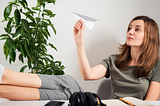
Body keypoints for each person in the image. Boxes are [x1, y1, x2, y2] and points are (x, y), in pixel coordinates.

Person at [0, 15, 160, 101]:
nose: (130, 32)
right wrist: (79, 41)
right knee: (69, 91)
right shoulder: (115, 60)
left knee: (70, 87)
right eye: (130, 28)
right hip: (103, 105)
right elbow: (88, 75)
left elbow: (150, 104)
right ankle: (2, 89)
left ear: (150, 36)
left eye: (137, 29)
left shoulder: (157, 65)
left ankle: (5, 74)